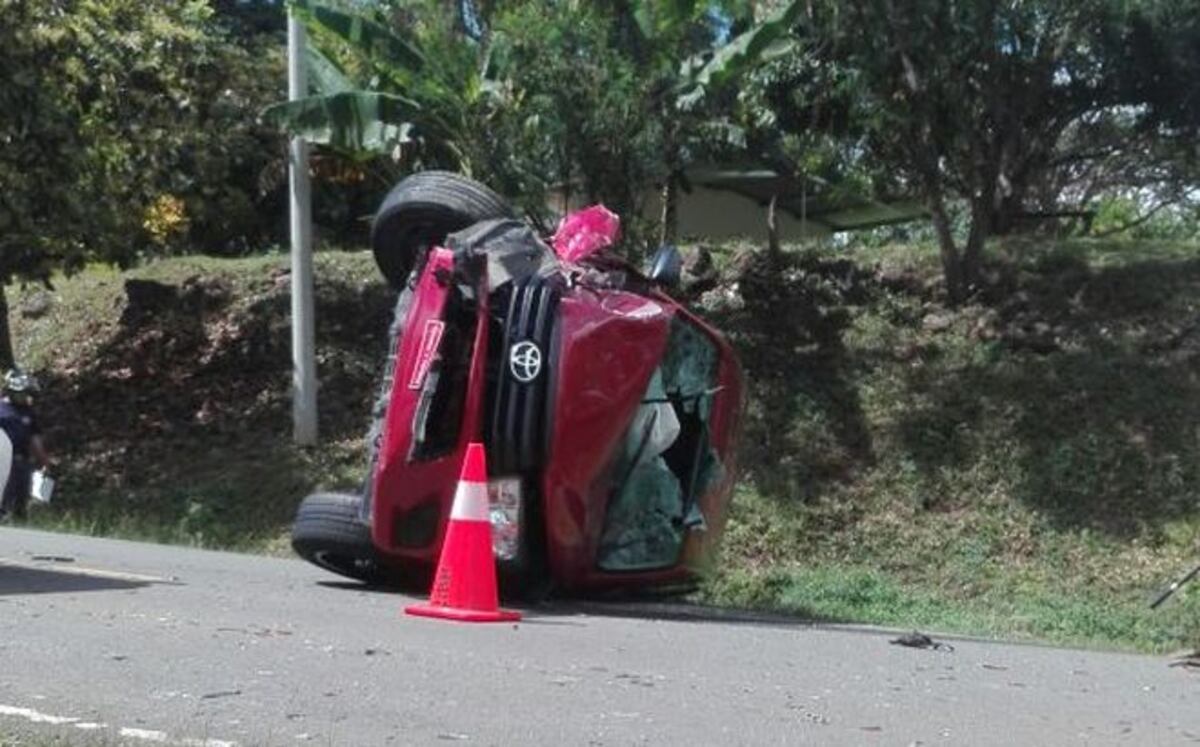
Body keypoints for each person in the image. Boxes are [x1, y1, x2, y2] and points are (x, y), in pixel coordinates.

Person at [0, 369, 49, 522]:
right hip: (3, 462)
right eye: (25, 393)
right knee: (4, 503)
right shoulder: (1, 410)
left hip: (22, 462)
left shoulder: (28, 412)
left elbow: (34, 439)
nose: (28, 397)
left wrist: (43, 461)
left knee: (21, 504)